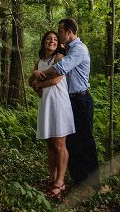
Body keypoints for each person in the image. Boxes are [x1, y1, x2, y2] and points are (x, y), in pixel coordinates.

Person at [35, 18, 100, 191]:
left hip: (81, 99)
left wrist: (40, 76)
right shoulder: (67, 49)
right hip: (68, 101)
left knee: (85, 140)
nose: (58, 35)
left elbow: (59, 70)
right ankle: (78, 180)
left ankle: (93, 184)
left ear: (69, 32)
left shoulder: (79, 49)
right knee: (71, 142)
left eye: (61, 32)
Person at [29, 31, 75, 198]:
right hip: (45, 104)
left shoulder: (59, 59)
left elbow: (56, 80)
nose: (52, 41)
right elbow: (30, 82)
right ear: (44, 41)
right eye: (49, 38)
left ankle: (60, 183)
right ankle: (52, 178)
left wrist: (38, 83)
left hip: (59, 104)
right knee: (50, 144)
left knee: (59, 145)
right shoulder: (39, 61)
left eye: (56, 39)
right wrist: (34, 76)